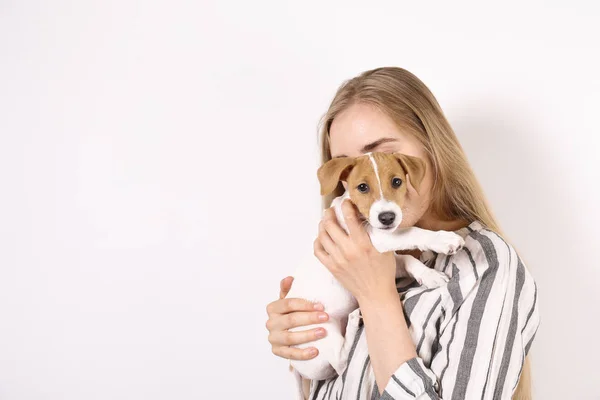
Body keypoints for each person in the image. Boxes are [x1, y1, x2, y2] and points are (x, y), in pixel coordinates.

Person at [265, 67, 540, 399]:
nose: (372, 177)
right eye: (349, 166)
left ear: (431, 148)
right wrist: (302, 345)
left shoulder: (486, 267)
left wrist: (377, 298)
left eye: (383, 153)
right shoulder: (346, 261)